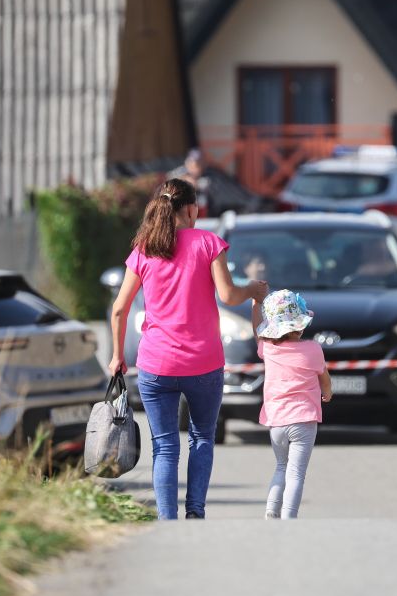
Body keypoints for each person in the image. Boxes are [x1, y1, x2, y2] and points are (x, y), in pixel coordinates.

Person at [108, 177, 268, 519]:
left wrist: (117, 356)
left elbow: (120, 309)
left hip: (155, 365)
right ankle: (195, 512)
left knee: (164, 446)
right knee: (202, 438)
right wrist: (253, 289)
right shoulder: (209, 243)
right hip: (204, 362)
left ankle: (167, 520)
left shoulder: (144, 248)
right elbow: (228, 296)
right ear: (193, 210)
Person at [252, 289, 331, 519]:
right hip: (304, 420)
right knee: (296, 473)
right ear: (301, 325)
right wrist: (327, 391)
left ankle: (271, 509)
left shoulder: (268, 348)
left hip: (276, 421)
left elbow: (257, 331)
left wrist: (255, 306)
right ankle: (288, 517)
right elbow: (324, 376)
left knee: (281, 467)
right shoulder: (314, 349)